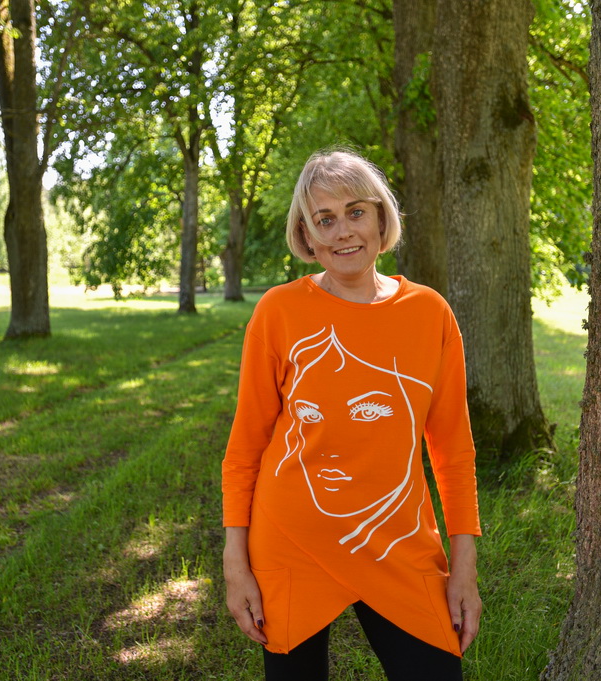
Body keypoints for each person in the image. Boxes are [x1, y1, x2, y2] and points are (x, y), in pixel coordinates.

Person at [222, 148, 482, 681]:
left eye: (356, 212)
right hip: (292, 543)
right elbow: (246, 446)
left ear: (382, 218)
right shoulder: (278, 312)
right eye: (325, 219)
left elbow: (453, 450)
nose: (343, 232)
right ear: (306, 234)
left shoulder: (429, 312)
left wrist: (464, 567)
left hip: (400, 543)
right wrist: (235, 561)